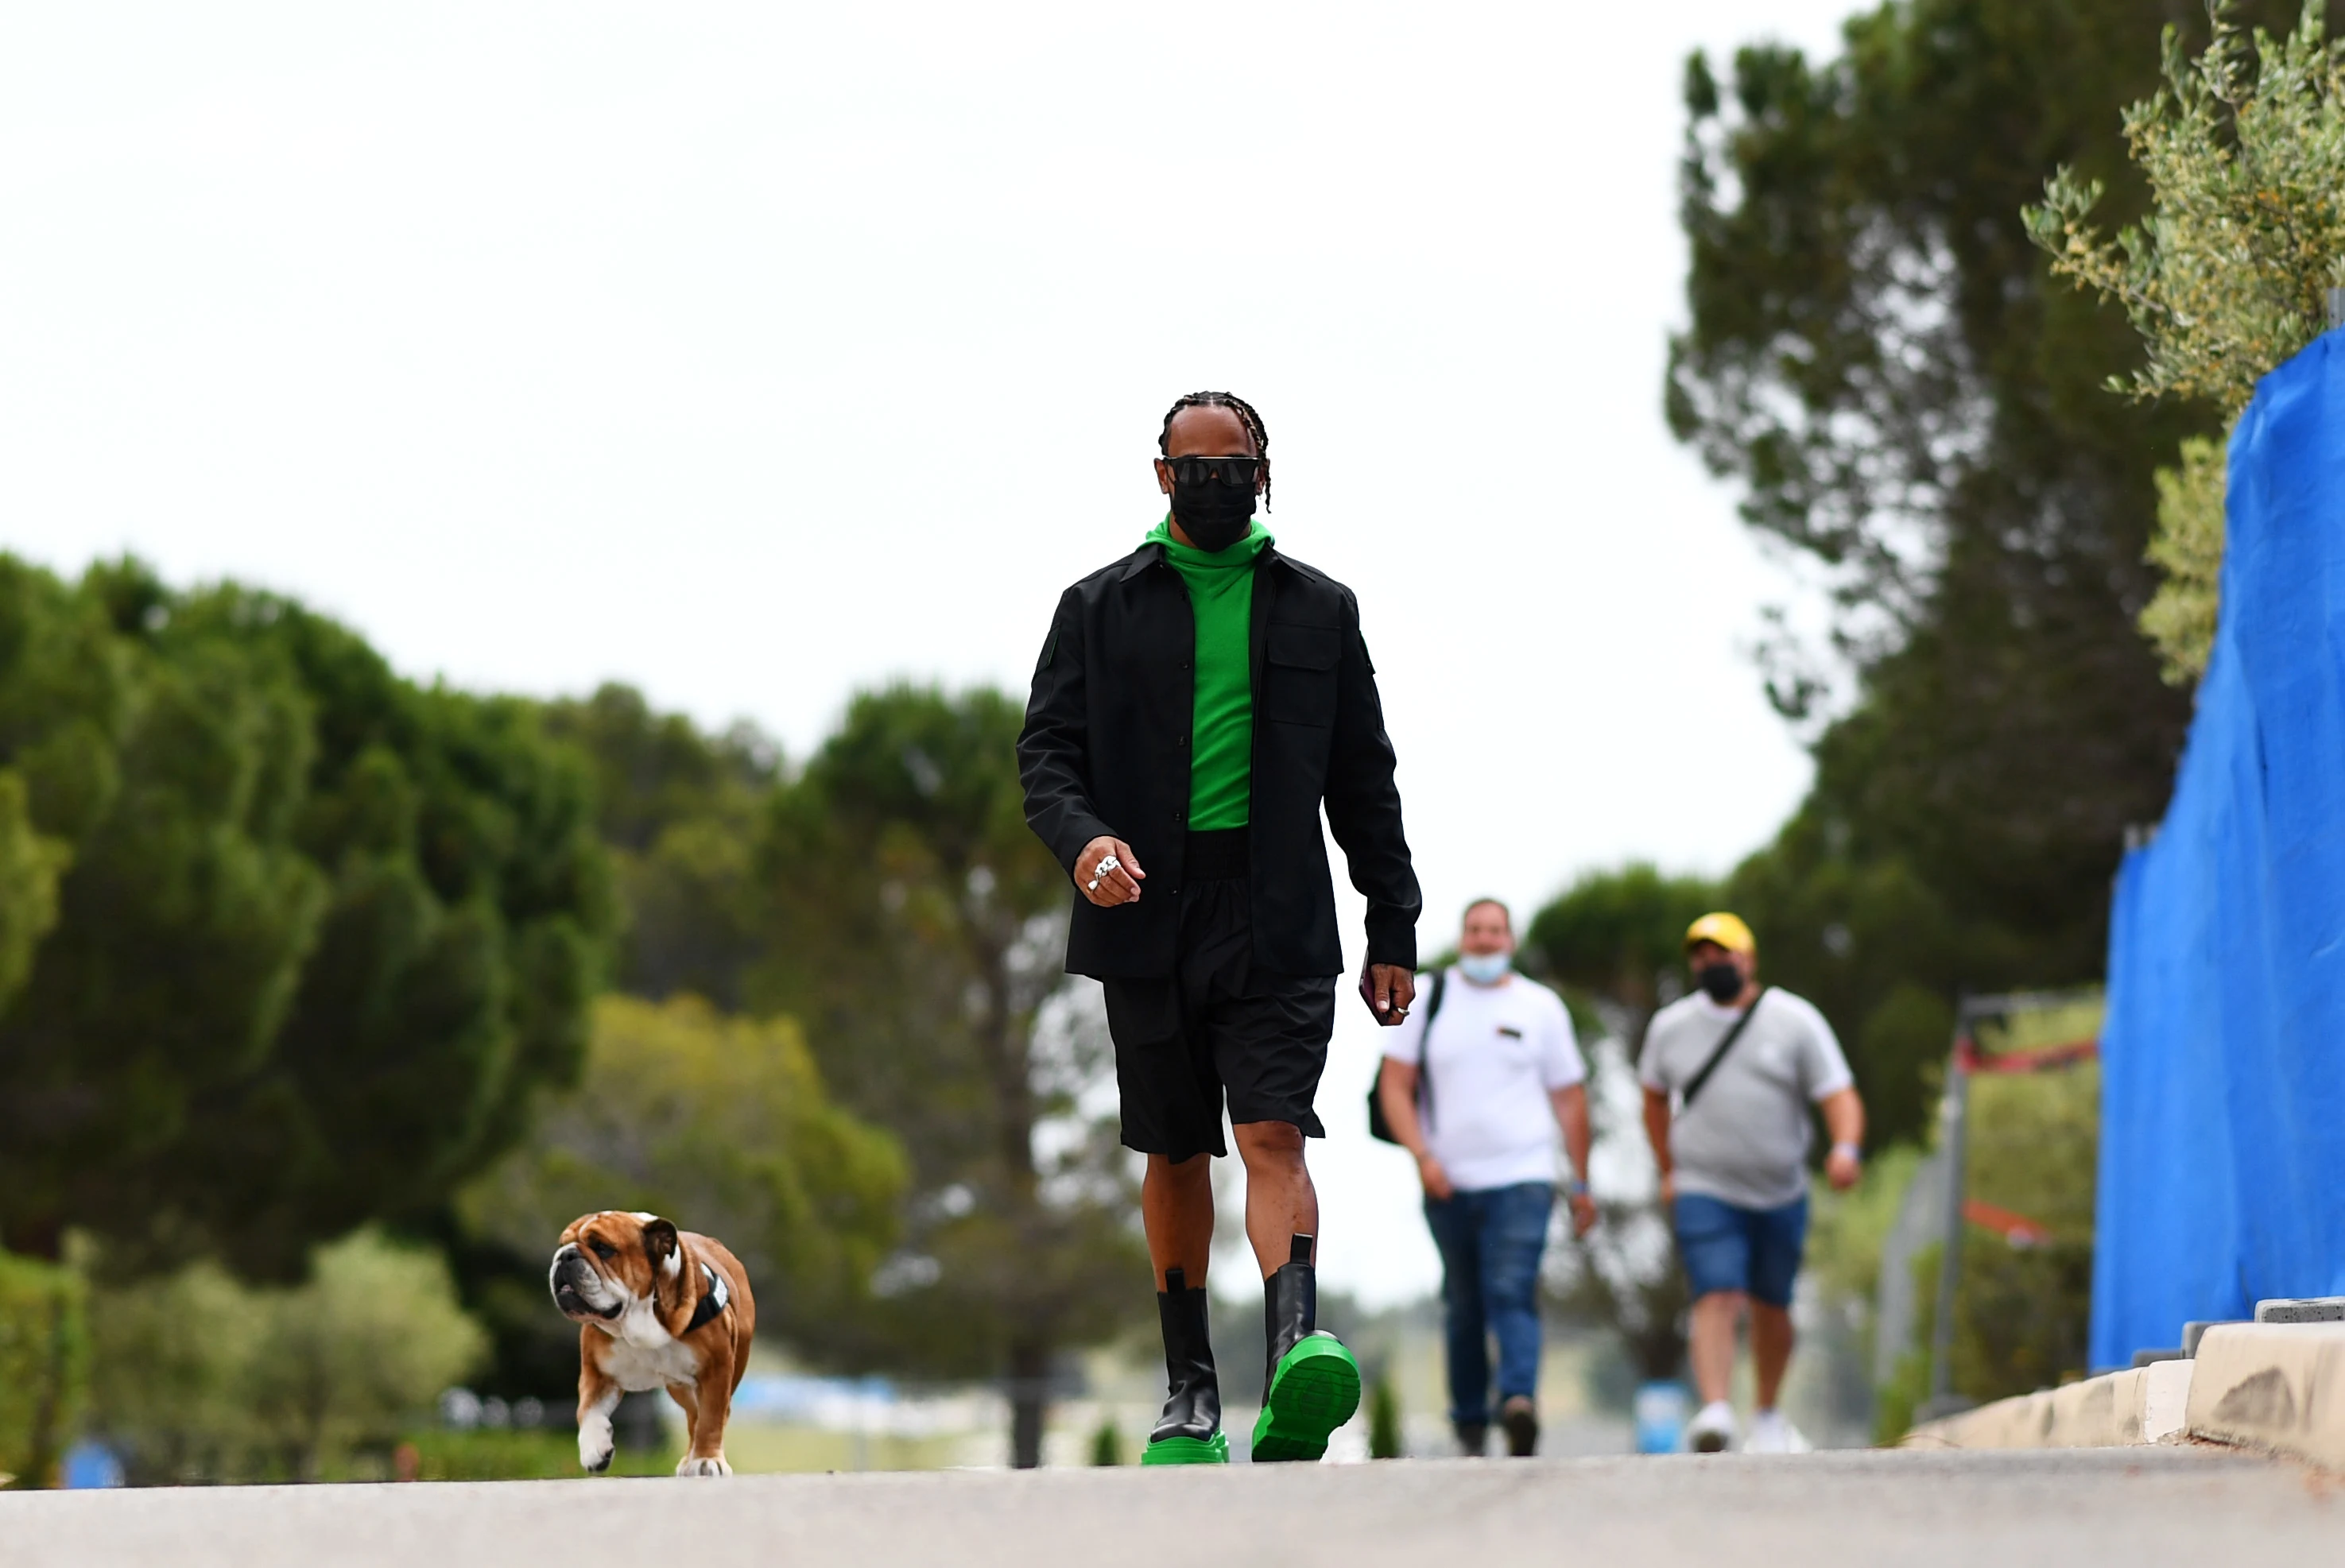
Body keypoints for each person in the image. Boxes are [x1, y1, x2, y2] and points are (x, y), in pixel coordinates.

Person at [1017, 390, 1421, 1465]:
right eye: (1191, 467)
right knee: (1175, 1147)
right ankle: (1188, 1392)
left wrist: (1393, 921)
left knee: (1274, 1131)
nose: (1213, 481)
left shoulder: (1317, 610)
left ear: (1263, 471)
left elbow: (1362, 776)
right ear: (1161, 477)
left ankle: (1294, 1357)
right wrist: (1086, 844)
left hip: (1277, 911)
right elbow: (1046, 757)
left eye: (1231, 462)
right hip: (1145, 908)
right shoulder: (1098, 608)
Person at [1639, 912, 1865, 1454]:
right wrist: (1669, 1167)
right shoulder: (1670, 1027)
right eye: (1701, 954)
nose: (1712, 963)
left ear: (1750, 958)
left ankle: (1765, 1412)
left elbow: (1838, 1094)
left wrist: (1845, 1146)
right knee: (1716, 1290)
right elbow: (1652, 1097)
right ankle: (1716, 1410)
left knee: (1772, 1304)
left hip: (1780, 1188)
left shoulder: (1795, 1020)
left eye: (1724, 952)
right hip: (1704, 1184)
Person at [1378, 897, 1596, 1458]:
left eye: (1495, 930)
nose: (1484, 939)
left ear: (1511, 940)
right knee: (1465, 1301)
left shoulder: (1541, 1007)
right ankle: (1469, 1420)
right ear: (1462, 936)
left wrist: (1581, 1181)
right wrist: (1423, 1156)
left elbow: (1570, 1100)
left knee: (1511, 1287)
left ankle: (1519, 1400)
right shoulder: (1428, 996)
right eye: (1475, 929)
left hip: (1523, 1176)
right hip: (1448, 1180)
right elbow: (1394, 1086)